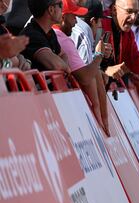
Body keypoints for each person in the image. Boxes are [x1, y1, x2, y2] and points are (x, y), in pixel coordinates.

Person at [53, 0, 111, 136]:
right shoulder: (69, 37)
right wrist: (99, 55)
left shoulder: (50, 32)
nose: (75, 22)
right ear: (62, 17)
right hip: (64, 109)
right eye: (73, 16)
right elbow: (87, 77)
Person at [20, 0, 71, 73]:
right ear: (51, 10)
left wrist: (65, 67)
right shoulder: (32, 35)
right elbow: (56, 65)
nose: (62, 8)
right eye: (60, 4)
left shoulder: (49, 32)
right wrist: (67, 69)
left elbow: (63, 54)